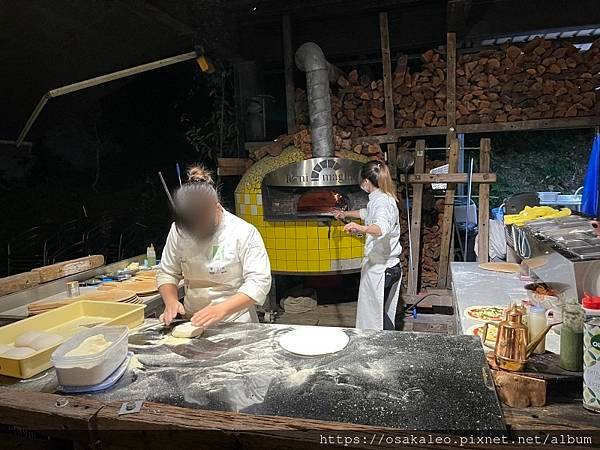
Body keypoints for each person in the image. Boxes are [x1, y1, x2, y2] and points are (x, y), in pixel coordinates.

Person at [157, 165, 272, 327]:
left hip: (235, 321)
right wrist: (171, 302)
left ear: (216, 207)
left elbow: (259, 283)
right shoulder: (178, 230)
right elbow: (168, 272)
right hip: (193, 319)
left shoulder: (243, 232)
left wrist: (221, 309)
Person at [333, 160, 402, 331]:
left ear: (366, 181)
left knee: (376, 318)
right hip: (390, 267)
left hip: (381, 268)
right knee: (379, 314)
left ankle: (393, 348)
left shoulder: (381, 202)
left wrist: (359, 228)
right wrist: (345, 214)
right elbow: (367, 213)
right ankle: (388, 347)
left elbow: (380, 228)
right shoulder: (382, 197)